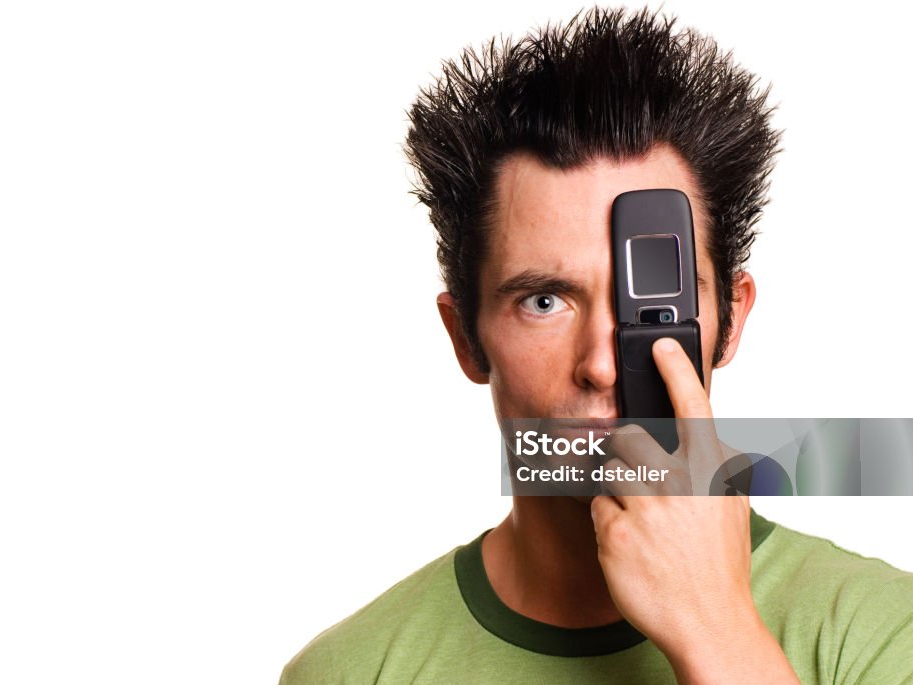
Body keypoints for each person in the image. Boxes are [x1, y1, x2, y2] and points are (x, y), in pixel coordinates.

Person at [280, 8, 913, 683]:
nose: (604, 363)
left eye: (653, 308)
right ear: (465, 338)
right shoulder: (349, 672)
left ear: (730, 319)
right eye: (544, 300)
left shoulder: (878, 634)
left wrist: (716, 629)